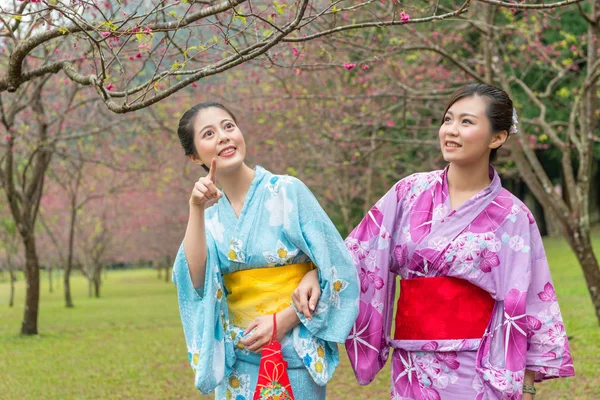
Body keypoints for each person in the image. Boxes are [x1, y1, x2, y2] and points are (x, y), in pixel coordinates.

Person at [295, 84, 574, 399]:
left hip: (481, 365)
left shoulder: (513, 216)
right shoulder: (409, 192)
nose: (451, 131)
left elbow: (533, 299)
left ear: (497, 137)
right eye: (448, 120)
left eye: (466, 122)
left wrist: (526, 384)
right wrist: (316, 272)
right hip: (412, 365)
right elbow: (359, 252)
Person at [172, 102, 359, 399]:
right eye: (209, 133)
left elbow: (336, 264)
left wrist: (288, 316)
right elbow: (196, 282)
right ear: (195, 156)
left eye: (228, 126)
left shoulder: (287, 191)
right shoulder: (209, 219)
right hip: (240, 357)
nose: (223, 136)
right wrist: (196, 207)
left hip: (294, 351)